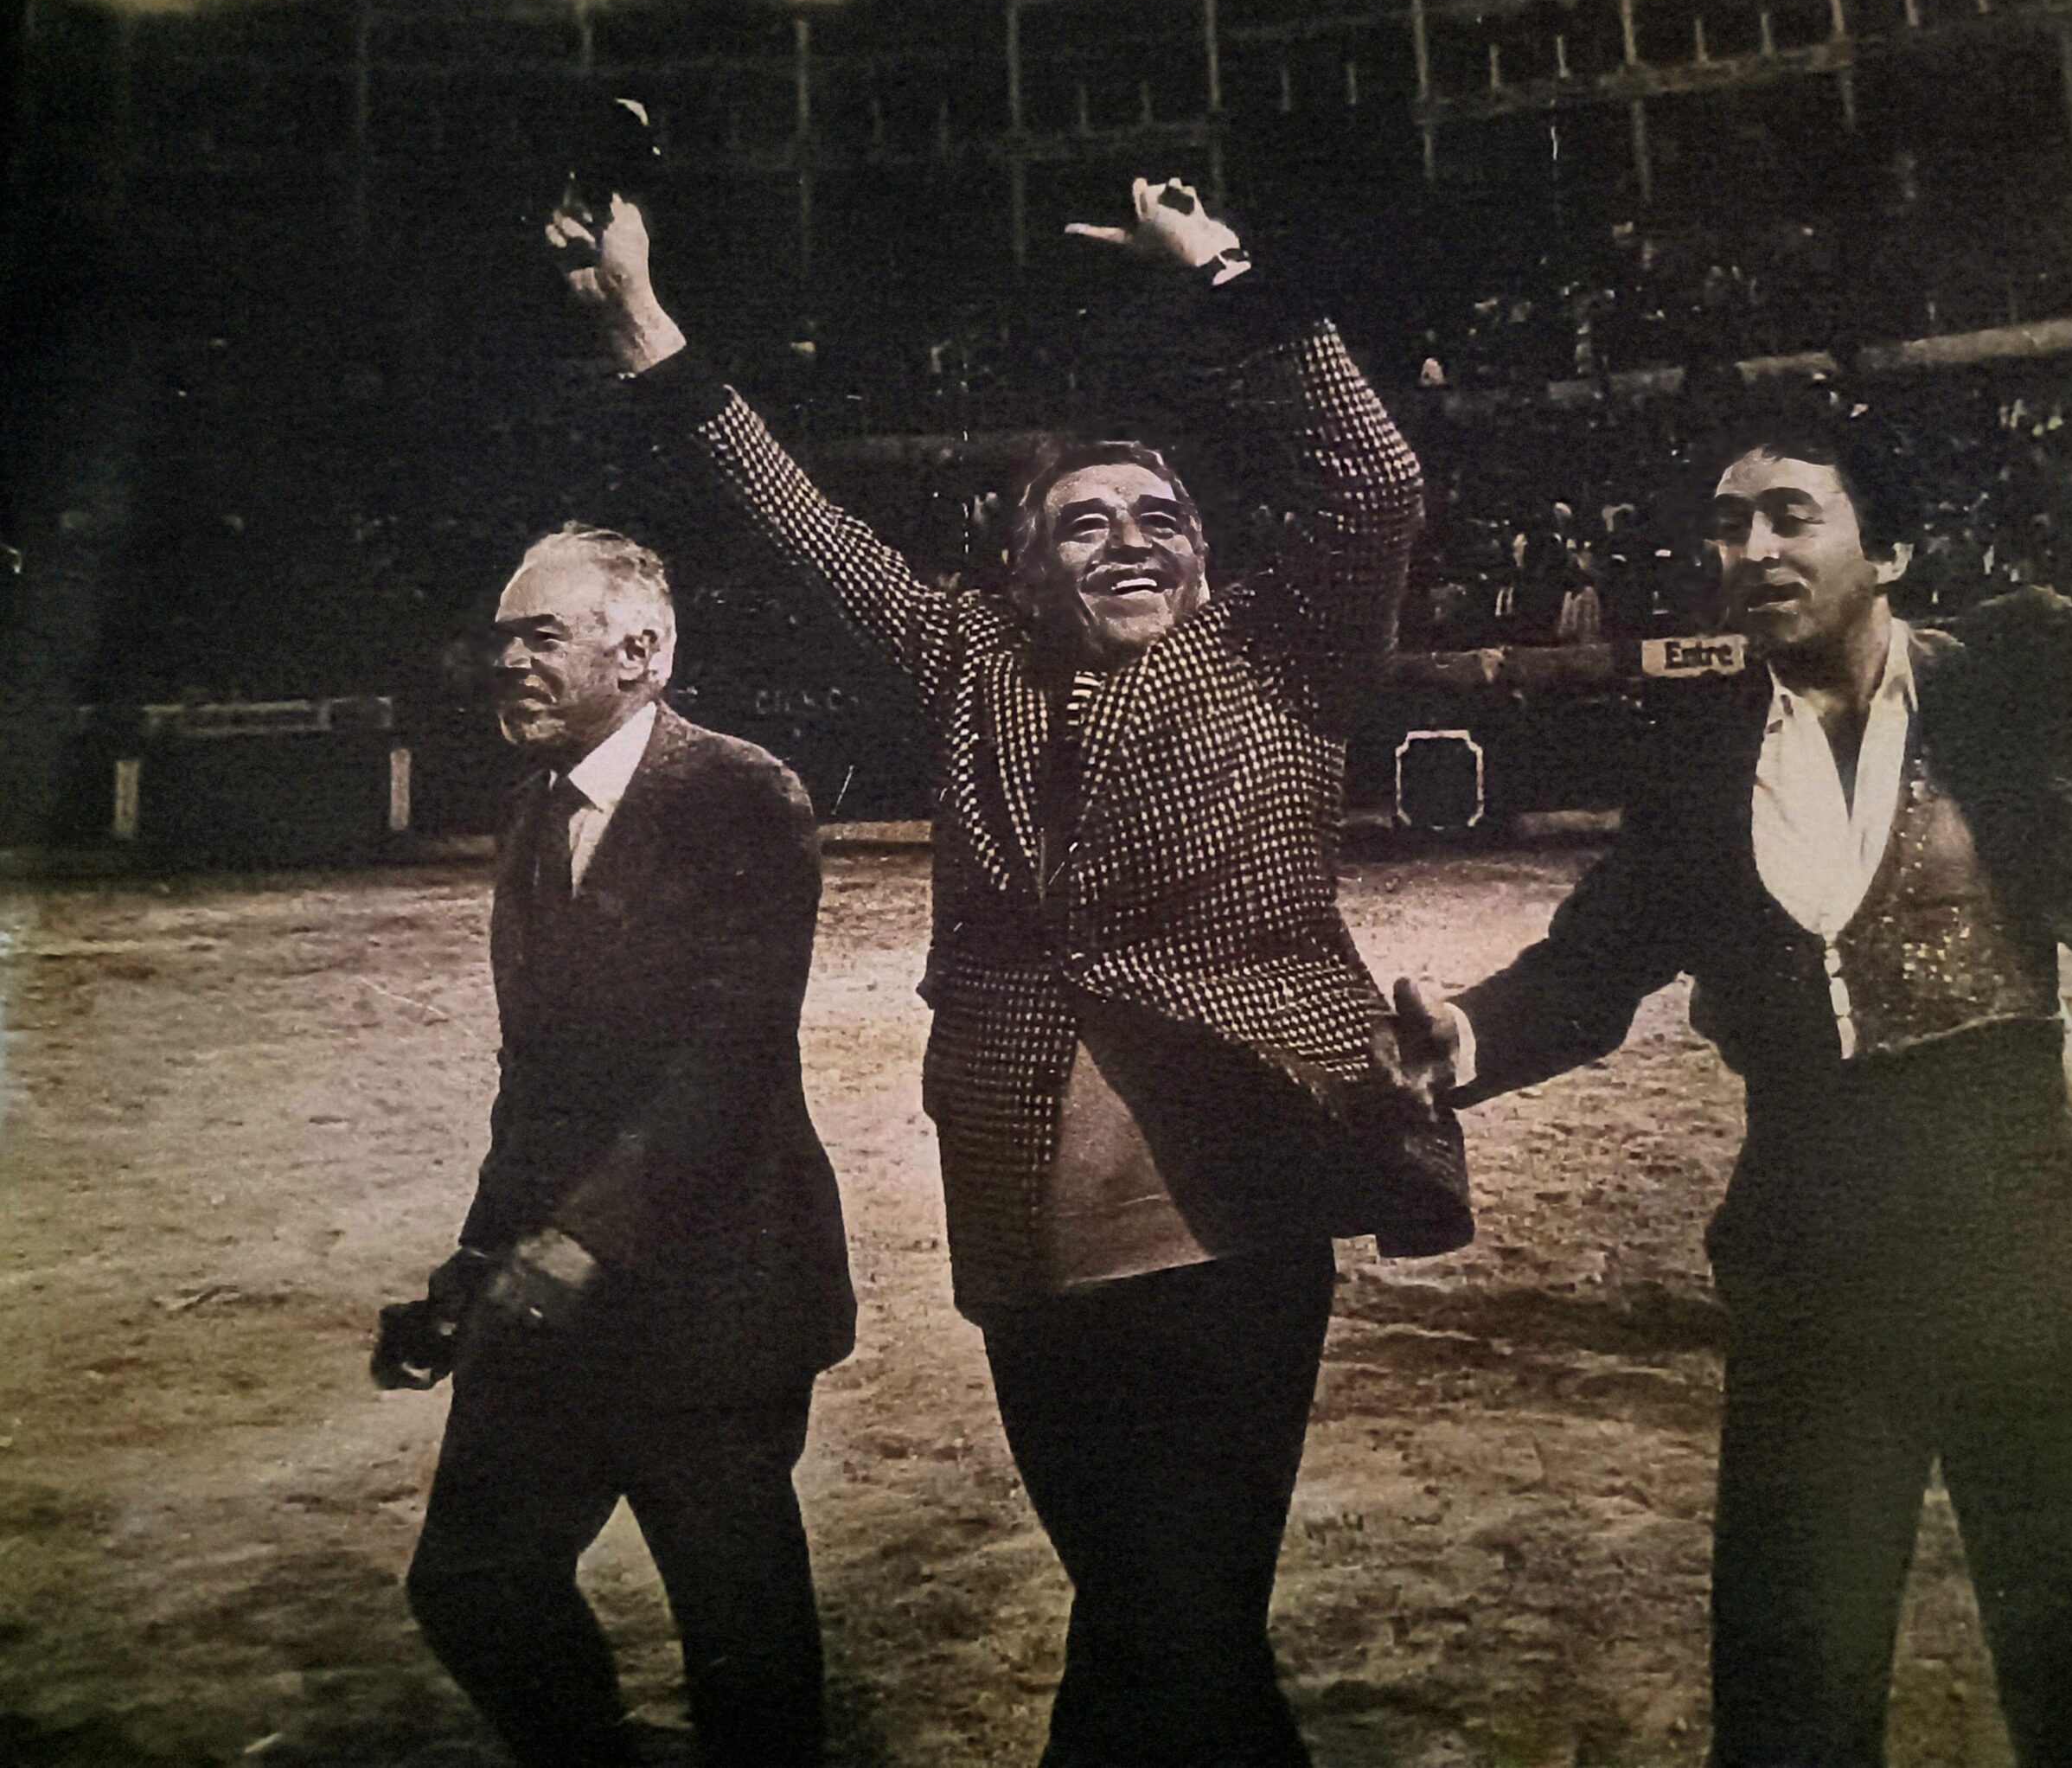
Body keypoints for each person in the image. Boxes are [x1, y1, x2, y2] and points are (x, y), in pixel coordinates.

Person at [546, 176, 1469, 1767]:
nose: (1131, 539)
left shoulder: (1279, 654)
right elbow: (799, 523)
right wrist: (638, 317)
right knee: (1154, 1616)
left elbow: (1376, 480)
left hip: (1242, 1220)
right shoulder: (972, 659)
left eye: (1162, 517)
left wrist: (1219, 270)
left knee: (1172, 1619)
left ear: (1205, 559)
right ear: (1024, 567)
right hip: (1031, 1230)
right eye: (1084, 521)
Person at [1378, 394, 2072, 1768]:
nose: (1751, 548)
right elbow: (1593, 965)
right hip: (1813, 1278)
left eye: (1788, 516)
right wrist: (1464, 1035)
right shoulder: (1701, 760)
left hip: (2026, 1264)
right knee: (1793, 1703)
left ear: (1888, 550)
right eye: (1727, 525)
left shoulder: (2004, 676)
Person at [374, 525, 855, 1768]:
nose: (506, 662)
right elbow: (533, 1085)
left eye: (540, 636)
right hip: (548, 1293)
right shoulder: (533, 809)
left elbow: (732, 1055)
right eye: (501, 639)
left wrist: (579, 1244)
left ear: (640, 652)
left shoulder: (741, 791)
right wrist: (474, 1264)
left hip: (716, 1295)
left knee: (743, 1650)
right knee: (473, 1584)